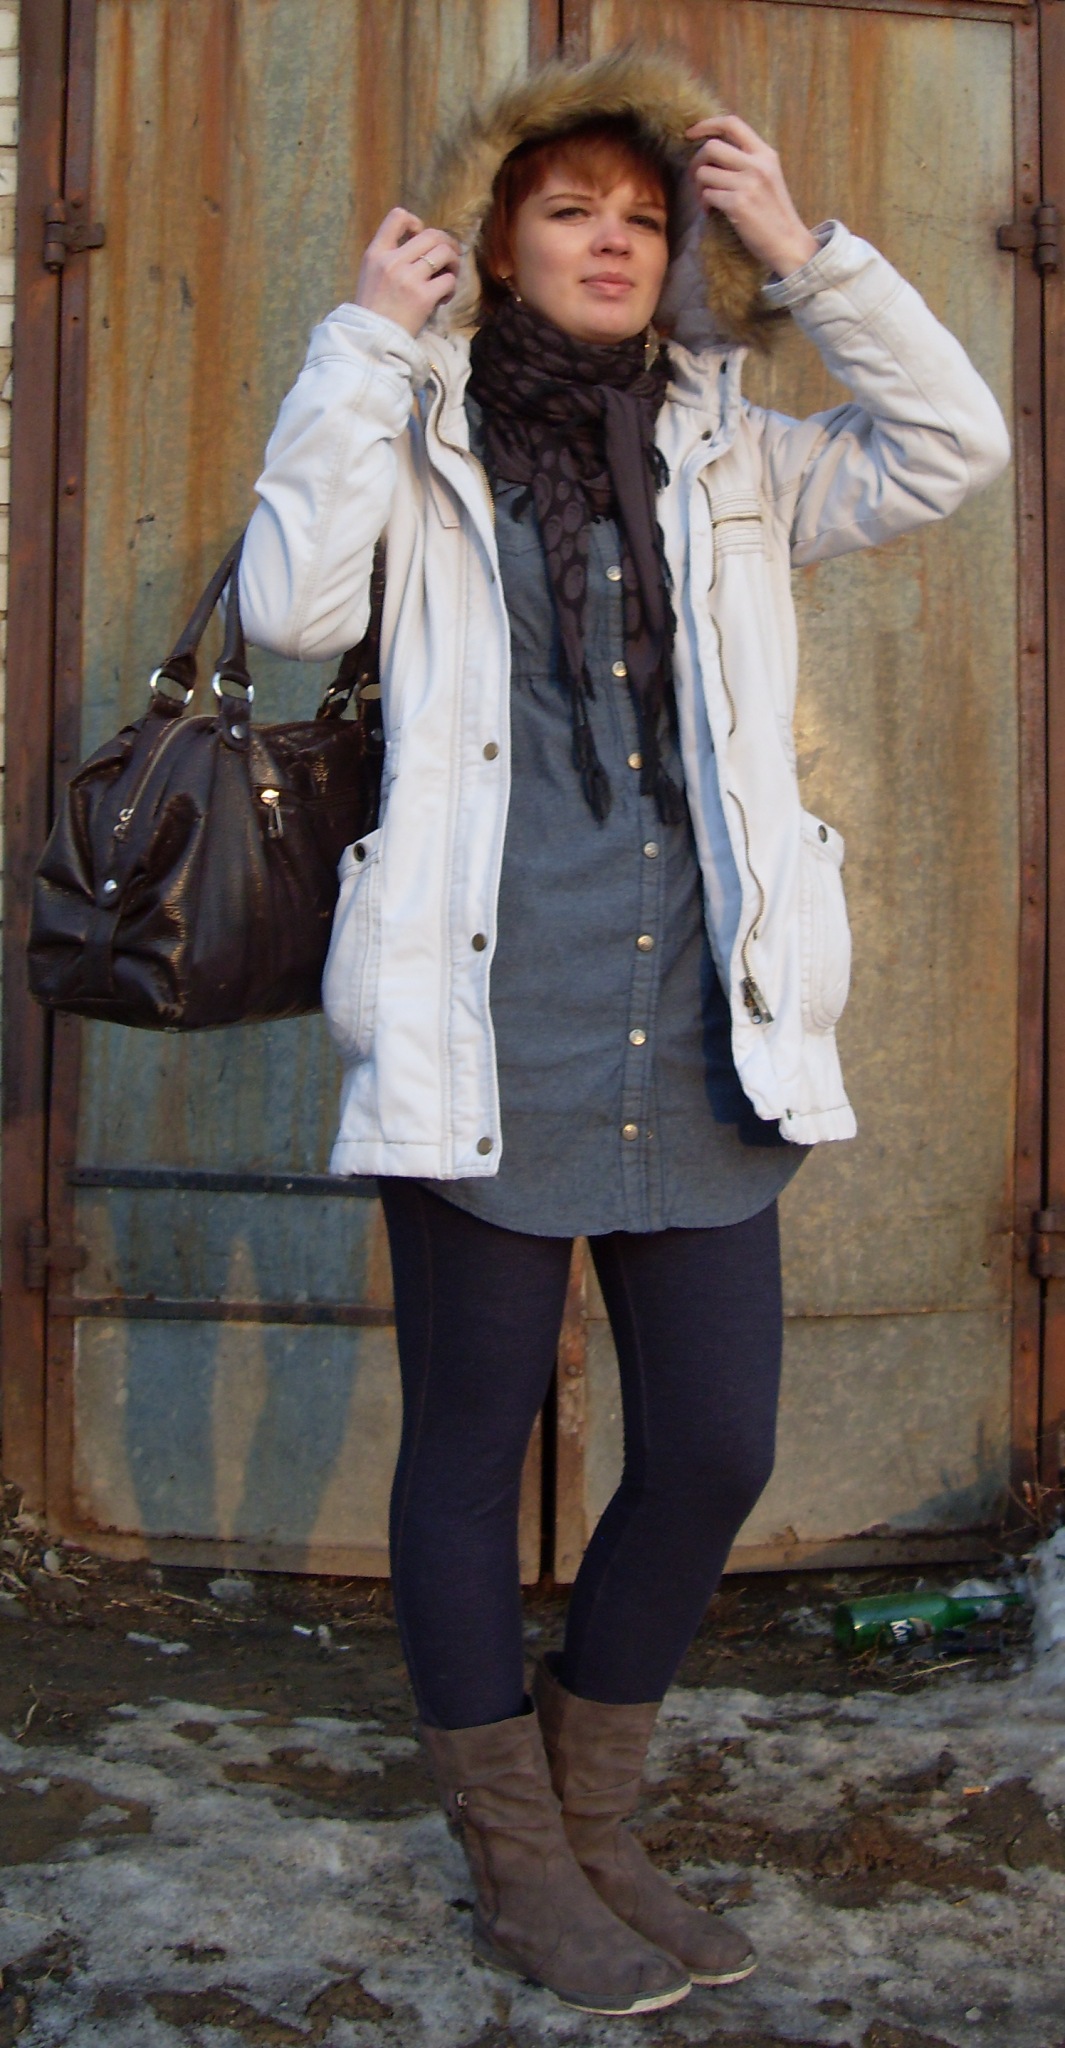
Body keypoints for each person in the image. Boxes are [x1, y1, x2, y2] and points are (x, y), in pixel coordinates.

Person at [240, 46, 1009, 2020]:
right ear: (495, 237)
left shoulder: (729, 448)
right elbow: (291, 607)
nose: (611, 241)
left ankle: (595, 1817)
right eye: (568, 209)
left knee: (713, 1443)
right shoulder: (418, 429)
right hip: (487, 1026)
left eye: (645, 217)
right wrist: (361, 344)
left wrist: (806, 254)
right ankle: (517, 1860)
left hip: (701, 1025)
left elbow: (950, 444)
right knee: (468, 1448)